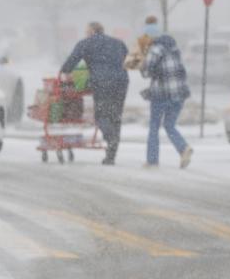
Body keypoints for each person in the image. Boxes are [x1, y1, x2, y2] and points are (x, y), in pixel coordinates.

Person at [60, 22, 130, 165]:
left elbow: (71, 61)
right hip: (121, 82)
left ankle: (111, 139)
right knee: (115, 116)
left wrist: (66, 72)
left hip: (102, 82)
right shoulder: (118, 43)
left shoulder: (86, 43)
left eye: (86, 31)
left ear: (92, 31)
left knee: (101, 115)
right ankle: (111, 154)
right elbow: (128, 60)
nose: (86, 34)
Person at [140, 17, 193, 168]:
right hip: (179, 94)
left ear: (150, 38)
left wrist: (140, 63)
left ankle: (152, 160)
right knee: (169, 125)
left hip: (161, 94)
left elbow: (146, 72)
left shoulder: (155, 50)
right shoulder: (174, 49)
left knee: (154, 126)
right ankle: (184, 148)